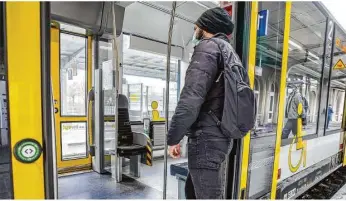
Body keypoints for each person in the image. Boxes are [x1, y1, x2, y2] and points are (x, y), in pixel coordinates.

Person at [166, 7, 237, 199]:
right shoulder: (229, 52)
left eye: (196, 26)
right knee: (192, 192)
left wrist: (173, 138)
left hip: (206, 141)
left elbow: (190, 99)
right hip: (221, 137)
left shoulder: (208, 48)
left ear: (206, 26)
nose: (194, 29)